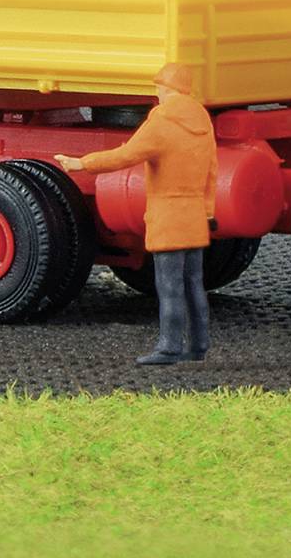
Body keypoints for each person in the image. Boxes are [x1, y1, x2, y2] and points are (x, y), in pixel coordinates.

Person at [58, 63, 219, 366]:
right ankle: (199, 344)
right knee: (193, 283)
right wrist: (208, 210)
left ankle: (170, 347)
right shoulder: (202, 120)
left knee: (168, 285)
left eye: (159, 86)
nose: (157, 90)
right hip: (194, 214)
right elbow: (212, 170)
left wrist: (82, 164)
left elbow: (125, 155)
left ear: (167, 88)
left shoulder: (162, 122)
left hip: (169, 215)